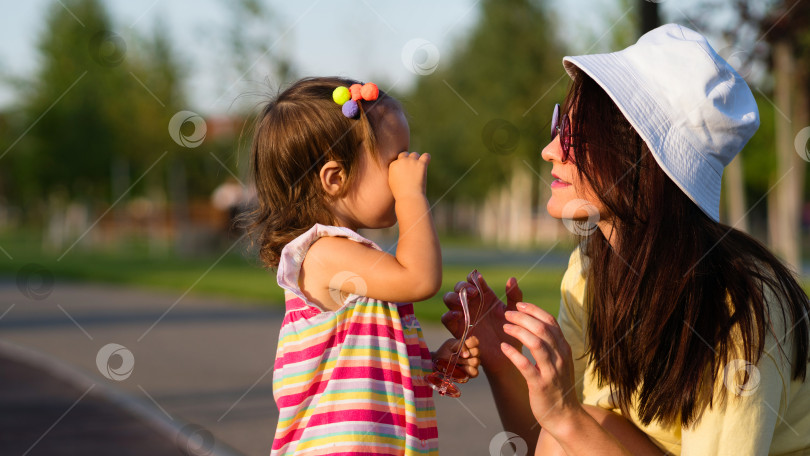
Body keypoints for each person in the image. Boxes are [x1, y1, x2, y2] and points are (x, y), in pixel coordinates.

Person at [443, 24, 810, 455]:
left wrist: (566, 415)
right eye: (559, 124)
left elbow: (572, 428)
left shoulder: (739, 312)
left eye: (574, 137)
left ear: (638, 160)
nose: (551, 150)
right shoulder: (591, 269)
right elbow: (554, 442)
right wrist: (505, 364)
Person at [246, 77, 478, 456]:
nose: (408, 167)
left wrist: (431, 363)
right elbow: (420, 278)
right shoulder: (323, 255)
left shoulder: (355, 259)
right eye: (394, 160)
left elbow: (371, 359)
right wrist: (411, 196)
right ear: (336, 179)